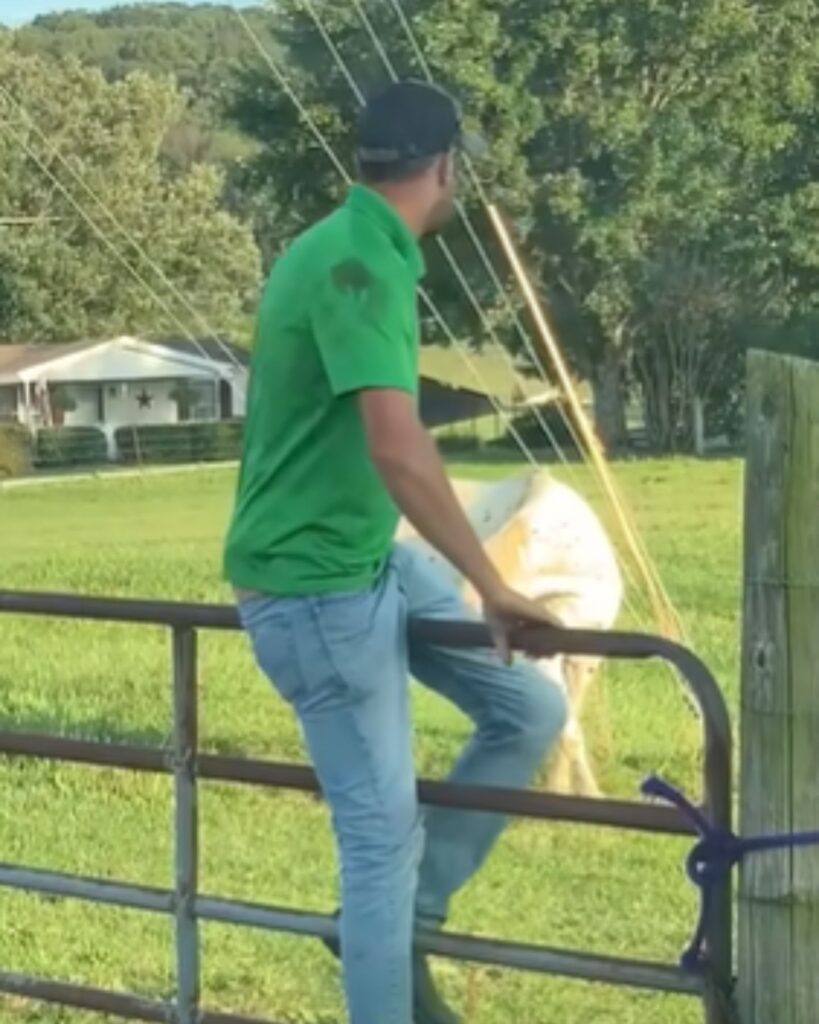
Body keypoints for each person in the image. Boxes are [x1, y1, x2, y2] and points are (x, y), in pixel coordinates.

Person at [223, 79, 567, 1024]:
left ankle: (406, 916)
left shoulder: (346, 249)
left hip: (360, 562)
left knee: (528, 707)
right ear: (445, 167)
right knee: (377, 841)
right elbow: (395, 442)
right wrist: (493, 585)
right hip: (316, 592)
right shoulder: (359, 268)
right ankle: (388, 954)